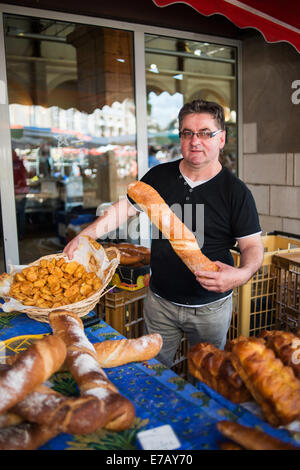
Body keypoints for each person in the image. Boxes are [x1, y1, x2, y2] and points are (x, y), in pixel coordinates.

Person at [64, 100, 264, 368]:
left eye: (205, 133)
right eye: (187, 133)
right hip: (160, 303)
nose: (195, 141)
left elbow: (252, 246)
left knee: (206, 375)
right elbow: (121, 211)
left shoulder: (236, 192)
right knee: (155, 371)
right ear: (180, 137)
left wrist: (240, 274)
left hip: (210, 308)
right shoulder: (159, 177)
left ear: (221, 139)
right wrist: (84, 237)